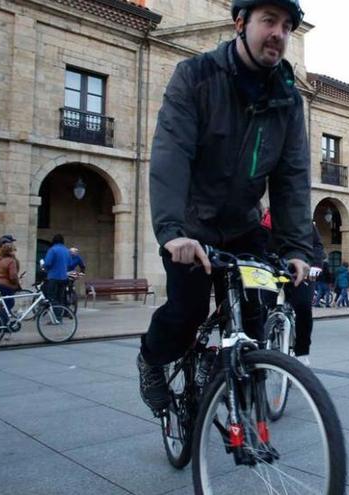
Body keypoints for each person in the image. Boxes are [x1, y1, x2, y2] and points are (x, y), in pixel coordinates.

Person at [137, 0, 311, 412]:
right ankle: (151, 360)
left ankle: (217, 367)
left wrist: (296, 248)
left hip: (244, 225)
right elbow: (171, 153)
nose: (278, 34)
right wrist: (172, 230)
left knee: (256, 315)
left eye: (287, 26)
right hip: (193, 223)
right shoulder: (195, 76)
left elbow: (291, 178)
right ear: (239, 23)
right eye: (268, 21)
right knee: (188, 310)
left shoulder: (288, 98)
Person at [260, 208, 323, 366]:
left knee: (303, 307)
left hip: (302, 270)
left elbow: (317, 246)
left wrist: (315, 265)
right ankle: (260, 343)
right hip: (273, 269)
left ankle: (302, 352)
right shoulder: (264, 223)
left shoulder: (304, 223)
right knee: (261, 304)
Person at [0, 244, 21, 320]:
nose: (15, 252)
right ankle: (3, 323)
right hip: (5, 285)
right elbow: (13, 276)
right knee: (9, 303)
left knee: (2, 304)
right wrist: (16, 283)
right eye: (14, 250)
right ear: (10, 252)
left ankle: (0, 321)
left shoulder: (0, 260)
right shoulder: (11, 261)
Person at [42, 234, 71, 310]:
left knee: (52, 297)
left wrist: (44, 267)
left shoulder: (52, 249)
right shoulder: (66, 250)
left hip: (53, 277)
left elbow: (48, 263)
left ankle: (54, 318)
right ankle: (59, 317)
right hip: (64, 277)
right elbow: (70, 264)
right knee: (60, 298)